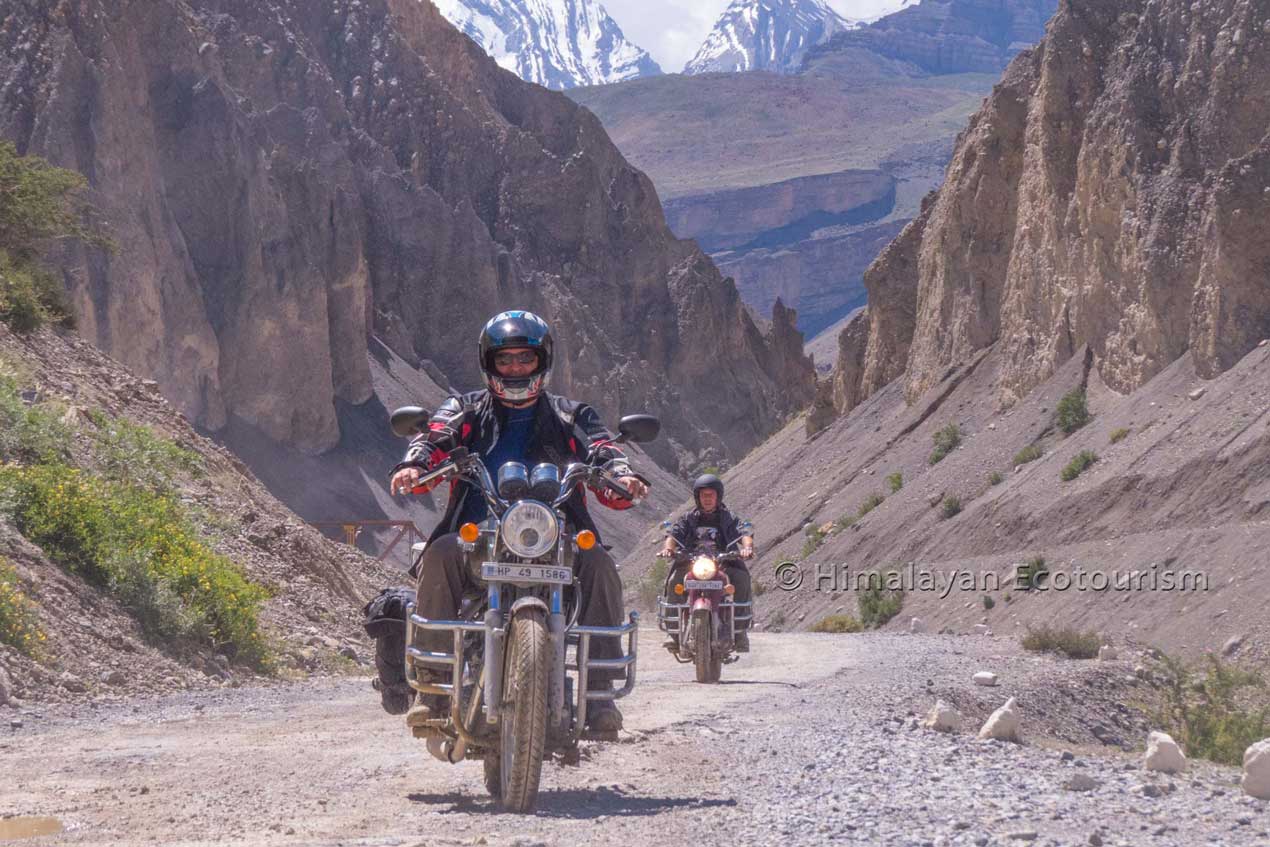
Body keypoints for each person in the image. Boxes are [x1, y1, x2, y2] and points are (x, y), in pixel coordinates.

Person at [389, 311, 649, 733]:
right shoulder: (466, 408)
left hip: (559, 531)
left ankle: (599, 695)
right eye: (505, 360)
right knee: (438, 554)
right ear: (488, 362)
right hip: (477, 533)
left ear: (541, 361)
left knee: (600, 563)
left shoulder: (572, 415)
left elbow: (602, 449)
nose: (514, 369)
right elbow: (436, 436)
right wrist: (415, 465)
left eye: (524, 360)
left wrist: (621, 476)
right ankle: (433, 690)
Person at [659, 474, 755, 651]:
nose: (708, 499)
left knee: (741, 578)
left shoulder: (728, 518)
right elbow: (673, 535)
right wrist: (669, 549)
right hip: (692, 563)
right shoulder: (689, 518)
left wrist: (747, 548)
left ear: (718, 496)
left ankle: (740, 631)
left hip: (723, 564)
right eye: (704, 495)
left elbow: (744, 532)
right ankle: (673, 633)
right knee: (674, 581)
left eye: (711, 495)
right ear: (698, 497)